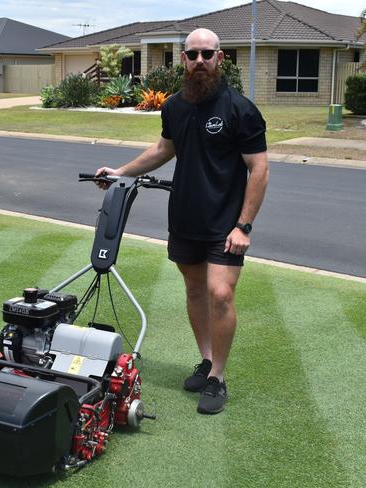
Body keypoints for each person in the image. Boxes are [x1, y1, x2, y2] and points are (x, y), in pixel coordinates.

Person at [95, 28, 269, 415]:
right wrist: (120, 171)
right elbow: (163, 150)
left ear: (220, 58)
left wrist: (244, 226)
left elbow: (258, 169)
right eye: (193, 55)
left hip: (226, 223)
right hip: (185, 218)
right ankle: (206, 361)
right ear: (184, 60)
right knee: (194, 291)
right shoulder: (174, 106)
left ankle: (218, 379)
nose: (200, 61)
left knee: (220, 294)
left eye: (208, 54)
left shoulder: (240, 109)